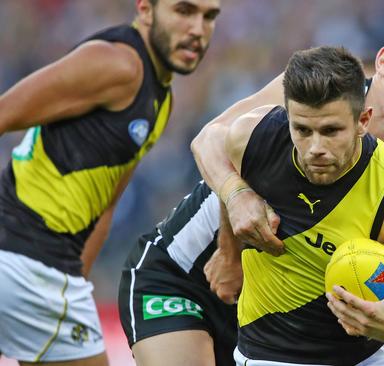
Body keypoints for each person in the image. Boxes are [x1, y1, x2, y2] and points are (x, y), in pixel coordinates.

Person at [118, 45, 384, 366]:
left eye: (331, 131)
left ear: (363, 121)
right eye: (302, 129)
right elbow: (212, 148)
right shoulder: (254, 137)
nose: (315, 148)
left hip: (360, 353)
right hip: (216, 310)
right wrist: (232, 237)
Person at [193, 4, 384, 310]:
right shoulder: (317, 88)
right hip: (197, 259)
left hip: (279, 304)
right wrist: (236, 203)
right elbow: (208, 140)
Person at [0, 0, 221, 365]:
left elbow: (106, 207)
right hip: (27, 260)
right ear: (146, 10)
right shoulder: (116, 63)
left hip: (44, 270)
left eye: (209, 16)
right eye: (184, 11)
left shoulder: (160, 100)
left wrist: (75, 285)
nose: (198, 29)